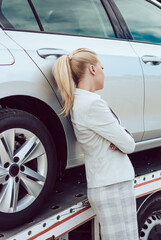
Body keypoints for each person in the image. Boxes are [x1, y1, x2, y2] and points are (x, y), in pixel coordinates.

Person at [52, 48, 138, 239]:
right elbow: (128, 145)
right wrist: (121, 136)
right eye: (102, 67)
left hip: (106, 183)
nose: (103, 72)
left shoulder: (80, 102)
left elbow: (121, 140)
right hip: (113, 185)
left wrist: (119, 137)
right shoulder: (92, 104)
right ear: (92, 69)